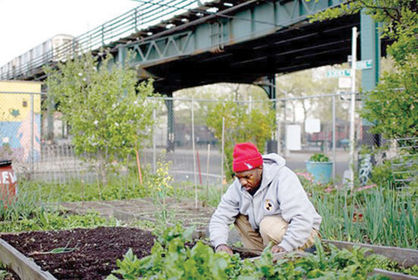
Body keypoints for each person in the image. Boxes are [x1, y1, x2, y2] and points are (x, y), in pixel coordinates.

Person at [209, 142, 321, 255]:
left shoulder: (283, 177)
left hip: (305, 232)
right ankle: (262, 256)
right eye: (239, 177)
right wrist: (220, 244)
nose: (242, 182)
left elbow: (302, 219)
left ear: (260, 168)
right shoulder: (238, 187)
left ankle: (296, 253)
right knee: (239, 218)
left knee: (267, 225)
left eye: (247, 177)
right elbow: (220, 217)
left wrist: (286, 245)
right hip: (270, 233)